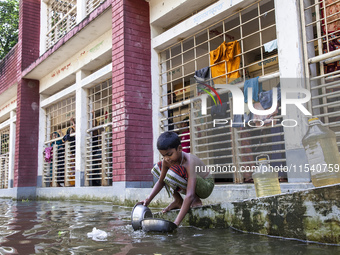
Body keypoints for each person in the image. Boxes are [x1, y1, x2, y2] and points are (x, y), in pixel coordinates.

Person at [140, 131, 214, 226]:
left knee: (174, 171)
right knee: (158, 168)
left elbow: (189, 194)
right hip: (189, 184)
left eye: (169, 154)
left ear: (179, 148)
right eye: (163, 155)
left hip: (206, 185)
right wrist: (148, 199)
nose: (167, 158)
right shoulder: (166, 161)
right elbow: (161, 182)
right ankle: (178, 200)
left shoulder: (189, 161)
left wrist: (176, 223)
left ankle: (196, 200)